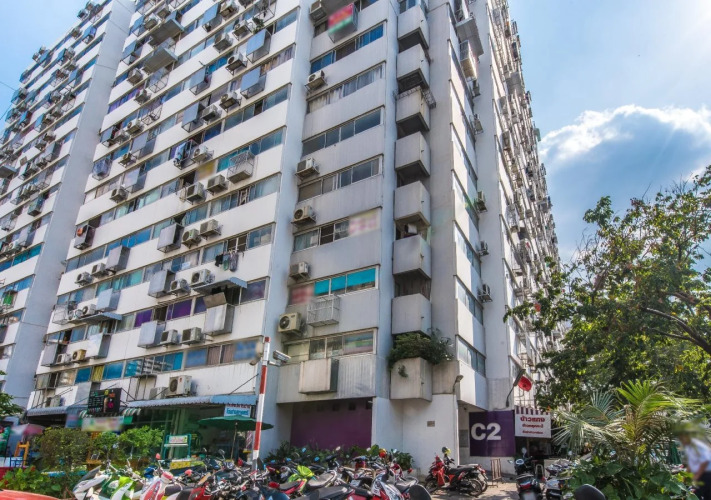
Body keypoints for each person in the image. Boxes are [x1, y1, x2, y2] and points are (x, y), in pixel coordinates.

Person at [678, 430, 711, 499]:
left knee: (696, 495)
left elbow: (704, 462)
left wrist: (696, 476)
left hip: (706, 475)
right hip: (705, 475)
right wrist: (685, 478)